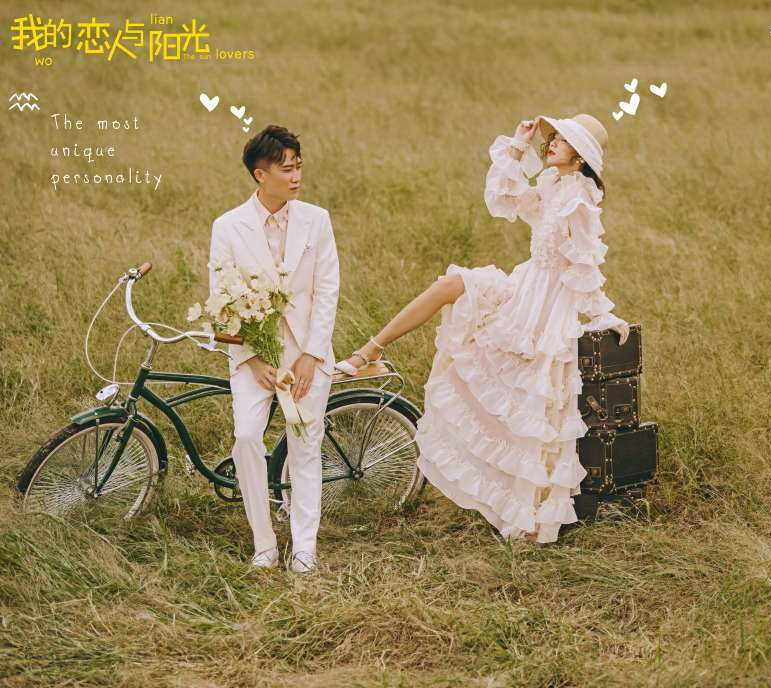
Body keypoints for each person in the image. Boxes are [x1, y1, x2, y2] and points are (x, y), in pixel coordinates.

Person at [338, 113, 628, 543]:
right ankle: (371, 349)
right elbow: (507, 197)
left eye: (563, 141)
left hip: (546, 306)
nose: (552, 143)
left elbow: (584, 267)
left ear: (581, 157)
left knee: (524, 406)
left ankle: (520, 511)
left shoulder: (580, 200)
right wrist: (518, 144)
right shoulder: (552, 184)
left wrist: (603, 316)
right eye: (554, 136)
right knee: (451, 286)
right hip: (524, 286)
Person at [208, 125, 340, 571]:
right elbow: (222, 299)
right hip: (254, 357)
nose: (296, 175)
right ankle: (264, 544)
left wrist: (311, 355)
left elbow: (327, 290)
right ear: (260, 175)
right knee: (247, 437)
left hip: (306, 355)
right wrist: (251, 358)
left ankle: (305, 547)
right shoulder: (227, 227)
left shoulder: (317, 220)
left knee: (305, 443)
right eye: (286, 169)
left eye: (298, 166)